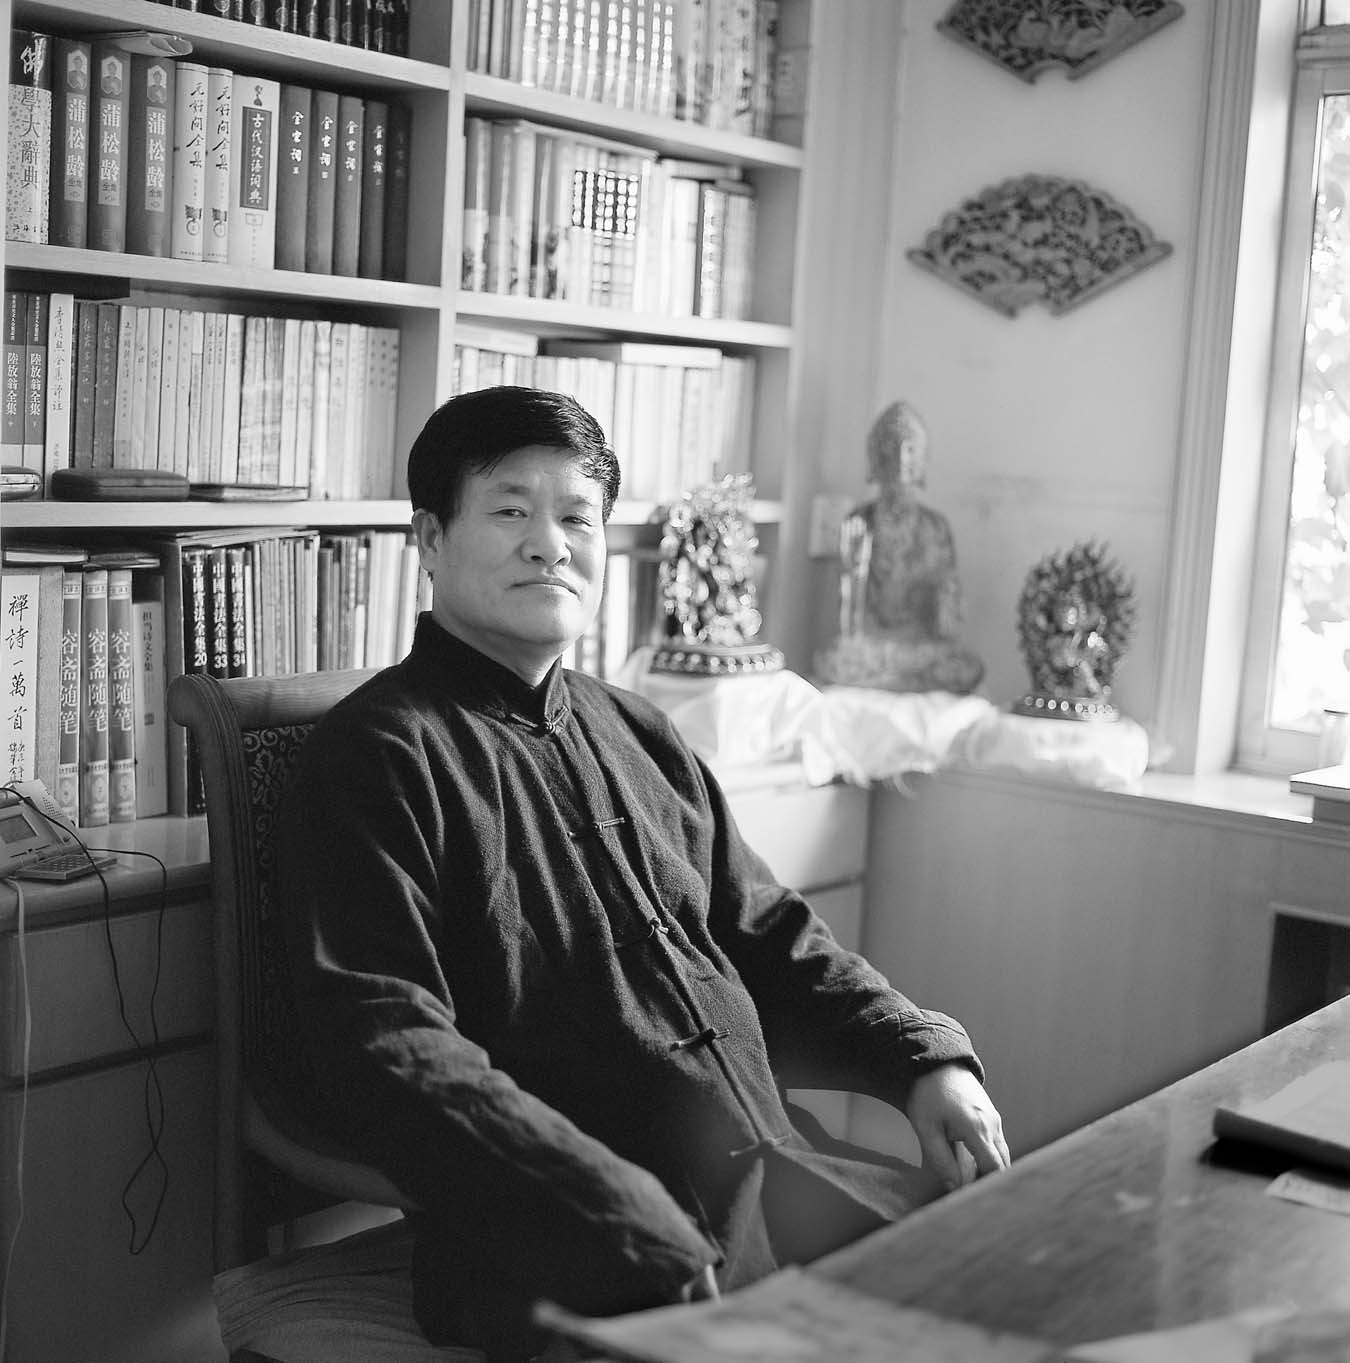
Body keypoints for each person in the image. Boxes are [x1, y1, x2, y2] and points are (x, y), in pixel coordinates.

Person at [274, 386, 1009, 1363]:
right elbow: (387, 1043)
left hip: (782, 1192)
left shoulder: (641, 730)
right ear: (430, 538)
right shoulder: (378, 757)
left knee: (1022, 1275)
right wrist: (615, 1216)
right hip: (567, 1253)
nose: (549, 544)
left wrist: (921, 1058)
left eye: (577, 517)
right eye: (510, 509)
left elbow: (773, 939)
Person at [816, 400, 985, 694]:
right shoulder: (858, 522)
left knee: (965, 668)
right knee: (835, 661)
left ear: (922, 459)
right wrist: (853, 574)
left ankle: (901, 678)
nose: (899, 458)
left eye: (910, 449)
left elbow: (946, 627)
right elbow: (848, 624)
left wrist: (948, 601)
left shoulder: (936, 527)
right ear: (875, 456)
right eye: (889, 446)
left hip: (918, 646)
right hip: (870, 646)